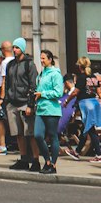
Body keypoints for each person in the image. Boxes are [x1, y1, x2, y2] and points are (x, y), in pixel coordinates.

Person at [3, 37, 40, 171]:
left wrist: (30, 104)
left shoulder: (29, 64)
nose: (14, 50)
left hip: (25, 102)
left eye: (17, 47)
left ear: (22, 49)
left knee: (30, 133)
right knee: (18, 133)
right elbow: (7, 82)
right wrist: (6, 99)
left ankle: (36, 160)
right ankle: (23, 158)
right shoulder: (10, 64)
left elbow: (33, 85)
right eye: (13, 47)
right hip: (12, 102)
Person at [34, 49, 64, 177]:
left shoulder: (55, 74)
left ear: (50, 59)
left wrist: (43, 94)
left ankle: (53, 164)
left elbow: (58, 92)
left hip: (52, 109)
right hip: (40, 108)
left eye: (44, 58)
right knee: (38, 135)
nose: (41, 61)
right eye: (40, 58)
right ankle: (47, 161)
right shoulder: (41, 74)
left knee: (52, 136)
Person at [0, 41, 13, 154]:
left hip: (3, 92)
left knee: (0, 119)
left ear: (3, 50)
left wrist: (1, 97)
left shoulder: (5, 63)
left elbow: (4, 80)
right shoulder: (13, 61)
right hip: (12, 93)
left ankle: (2, 145)